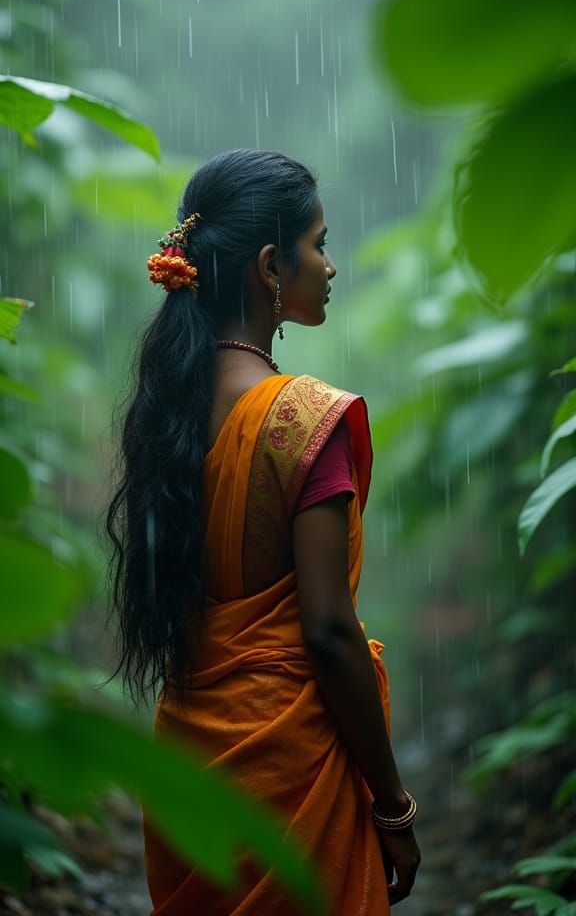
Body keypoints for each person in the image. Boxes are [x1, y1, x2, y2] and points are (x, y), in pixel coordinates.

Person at [106, 149, 420, 915]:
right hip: (293, 772)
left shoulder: (166, 411)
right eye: (319, 243)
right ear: (272, 266)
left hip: (191, 769)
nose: (332, 266)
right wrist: (393, 805)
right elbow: (328, 635)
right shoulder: (305, 421)